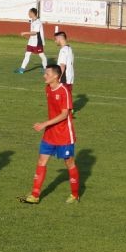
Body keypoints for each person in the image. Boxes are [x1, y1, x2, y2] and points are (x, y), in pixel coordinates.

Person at [19, 64, 80, 204]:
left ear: (55, 76)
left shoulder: (64, 91)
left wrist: (44, 124)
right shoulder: (48, 88)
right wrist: (47, 126)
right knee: (41, 161)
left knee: (69, 163)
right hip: (50, 134)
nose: (44, 76)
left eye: (47, 73)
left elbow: (65, 114)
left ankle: (75, 194)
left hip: (64, 135)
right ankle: (35, 195)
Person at [15, 8, 47, 74]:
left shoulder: (38, 22)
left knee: (41, 55)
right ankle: (22, 69)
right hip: (31, 42)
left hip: (37, 42)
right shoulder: (33, 21)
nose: (28, 14)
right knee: (27, 54)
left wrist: (25, 33)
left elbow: (35, 32)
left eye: (29, 12)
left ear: (32, 13)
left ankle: (46, 69)